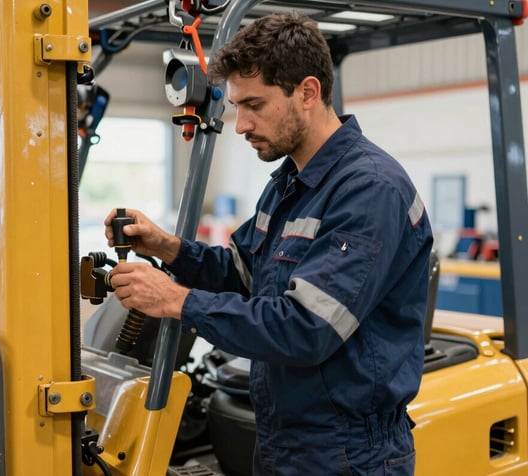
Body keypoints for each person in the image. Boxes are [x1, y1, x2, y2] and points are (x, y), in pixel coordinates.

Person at [104, 11, 434, 476]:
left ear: (307, 92)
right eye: (238, 107)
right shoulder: (288, 183)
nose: (240, 125)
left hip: (348, 453)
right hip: (287, 437)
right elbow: (244, 272)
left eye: (254, 105)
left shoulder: (370, 190)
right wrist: (166, 247)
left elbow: (306, 329)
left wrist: (176, 300)